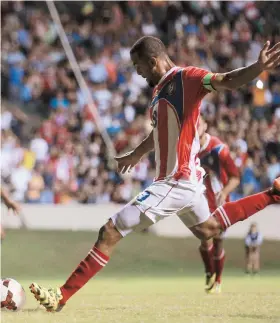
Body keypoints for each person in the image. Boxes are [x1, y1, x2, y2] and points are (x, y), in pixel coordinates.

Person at [29, 36, 280, 312]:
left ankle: (60, 297)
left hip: (177, 179)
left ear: (153, 61)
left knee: (111, 230)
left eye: (139, 66)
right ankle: (272, 194)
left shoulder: (187, 78)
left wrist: (258, 68)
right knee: (208, 229)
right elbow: (160, 133)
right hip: (187, 180)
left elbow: (227, 80)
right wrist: (136, 154)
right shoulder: (159, 91)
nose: (138, 73)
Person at [197, 115, 240, 293]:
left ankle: (218, 281)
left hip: (220, 201)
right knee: (205, 241)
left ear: (206, 125)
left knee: (218, 242)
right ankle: (209, 272)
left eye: (198, 123)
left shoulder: (219, 149)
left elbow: (235, 177)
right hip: (200, 202)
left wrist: (224, 191)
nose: (195, 126)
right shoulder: (187, 148)